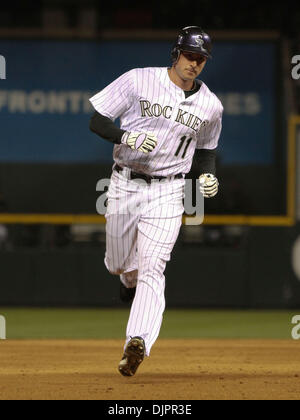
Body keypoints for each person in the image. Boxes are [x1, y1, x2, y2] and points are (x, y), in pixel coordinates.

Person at [89, 26, 223, 377]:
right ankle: (125, 280)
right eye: (190, 55)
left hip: (169, 190)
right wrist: (125, 134)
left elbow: (206, 151)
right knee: (118, 264)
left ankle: (137, 342)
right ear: (176, 53)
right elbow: (97, 121)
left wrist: (207, 175)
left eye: (201, 59)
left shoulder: (211, 105)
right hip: (124, 183)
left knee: (153, 266)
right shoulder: (138, 80)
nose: (194, 63)